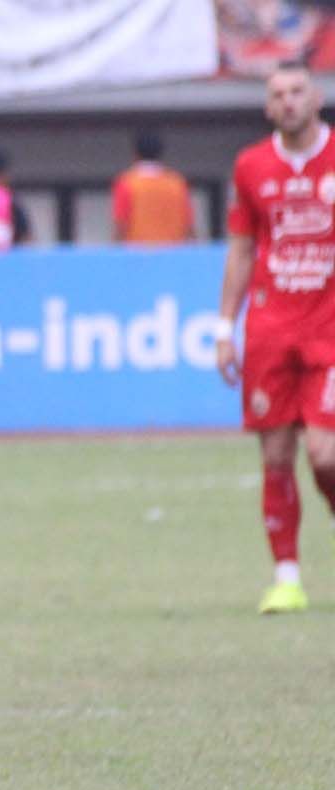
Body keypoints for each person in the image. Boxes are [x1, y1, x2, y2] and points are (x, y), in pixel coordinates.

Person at [217, 60, 335, 614]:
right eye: (277, 94)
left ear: (316, 99)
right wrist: (224, 328)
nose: (287, 101)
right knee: (278, 454)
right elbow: (242, 249)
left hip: (330, 329)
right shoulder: (250, 166)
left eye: (296, 91)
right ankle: (286, 575)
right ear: (268, 108)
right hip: (270, 327)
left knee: (325, 454)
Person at [111, 130, 194, 245]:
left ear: (135, 154)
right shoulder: (177, 183)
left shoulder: (127, 183)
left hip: (137, 256)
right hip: (173, 256)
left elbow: (121, 226)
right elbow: (188, 226)